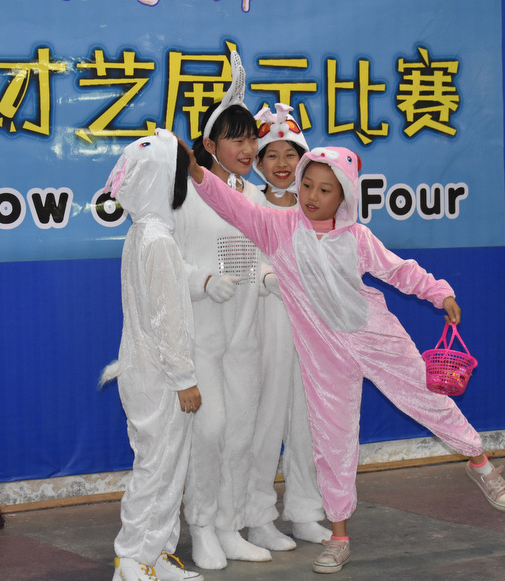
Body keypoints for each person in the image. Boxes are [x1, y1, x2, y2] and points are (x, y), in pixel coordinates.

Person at [178, 141, 505, 575]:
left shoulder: (357, 237)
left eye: (325, 190)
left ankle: (479, 461)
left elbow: (398, 270)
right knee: (333, 442)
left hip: (377, 338)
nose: (312, 196)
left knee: (427, 397)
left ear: (344, 197)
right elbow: (233, 206)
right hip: (325, 358)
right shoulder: (278, 228)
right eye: (307, 185)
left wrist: (439, 292)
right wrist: (198, 172)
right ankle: (339, 538)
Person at [172, 51, 270, 570]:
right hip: (201, 337)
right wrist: (202, 282)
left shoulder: (257, 197)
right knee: (209, 431)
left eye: (252, 138)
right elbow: (164, 263)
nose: (249, 149)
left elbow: (265, 253)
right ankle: (203, 525)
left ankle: (230, 526)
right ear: (210, 146)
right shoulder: (186, 195)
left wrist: (269, 275)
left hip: (245, 335)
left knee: (241, 433)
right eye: (237, 139)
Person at [99, 130, 203, 581]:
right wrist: (184, 378)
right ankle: (131, 558)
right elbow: (166, 318)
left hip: (147, 371)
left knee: (166, 467)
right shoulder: (156, 239)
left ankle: (155, 553)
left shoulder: (143, 233)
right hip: (160, 378)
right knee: (157, 469)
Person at [245, 104, 331, 551]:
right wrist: (269, 278)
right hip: (266, 325)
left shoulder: (318, 206)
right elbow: (236, 262)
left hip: (314, 330)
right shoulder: (247, 205)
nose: (282, 164)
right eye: (271, 155)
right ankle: (257, 516)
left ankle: (305, 511)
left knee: (310, 423)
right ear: (258, 163)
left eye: (290, 154)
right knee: (265, 421)